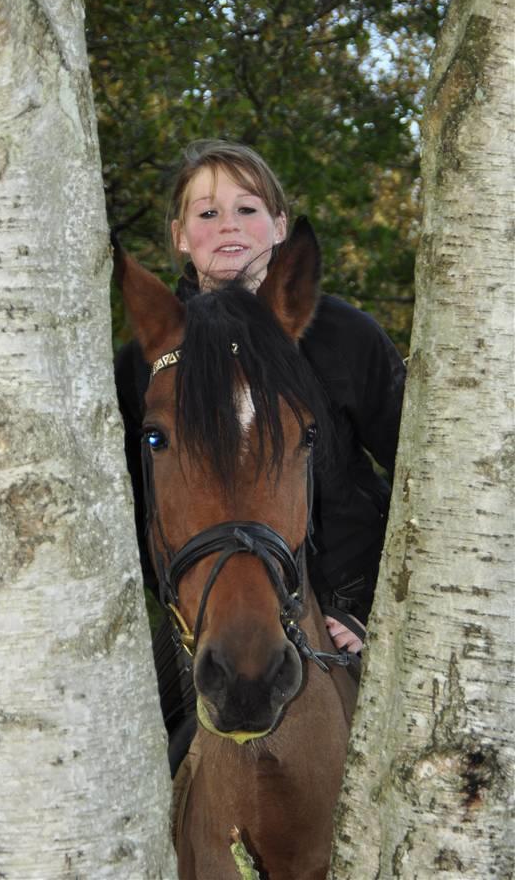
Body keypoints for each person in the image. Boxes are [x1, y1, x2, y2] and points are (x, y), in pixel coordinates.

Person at [114, 139, 405, 766]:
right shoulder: (141, 365)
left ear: (279, 225)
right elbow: (130, 507)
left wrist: (370, 610)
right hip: (200, 613)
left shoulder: (344, 337)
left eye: (247, 209)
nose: (228, 227)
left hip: (352, 609)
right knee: (128, 759)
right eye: (207, 213)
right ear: (179, 236)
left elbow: (423, 474)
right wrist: (186, 616)